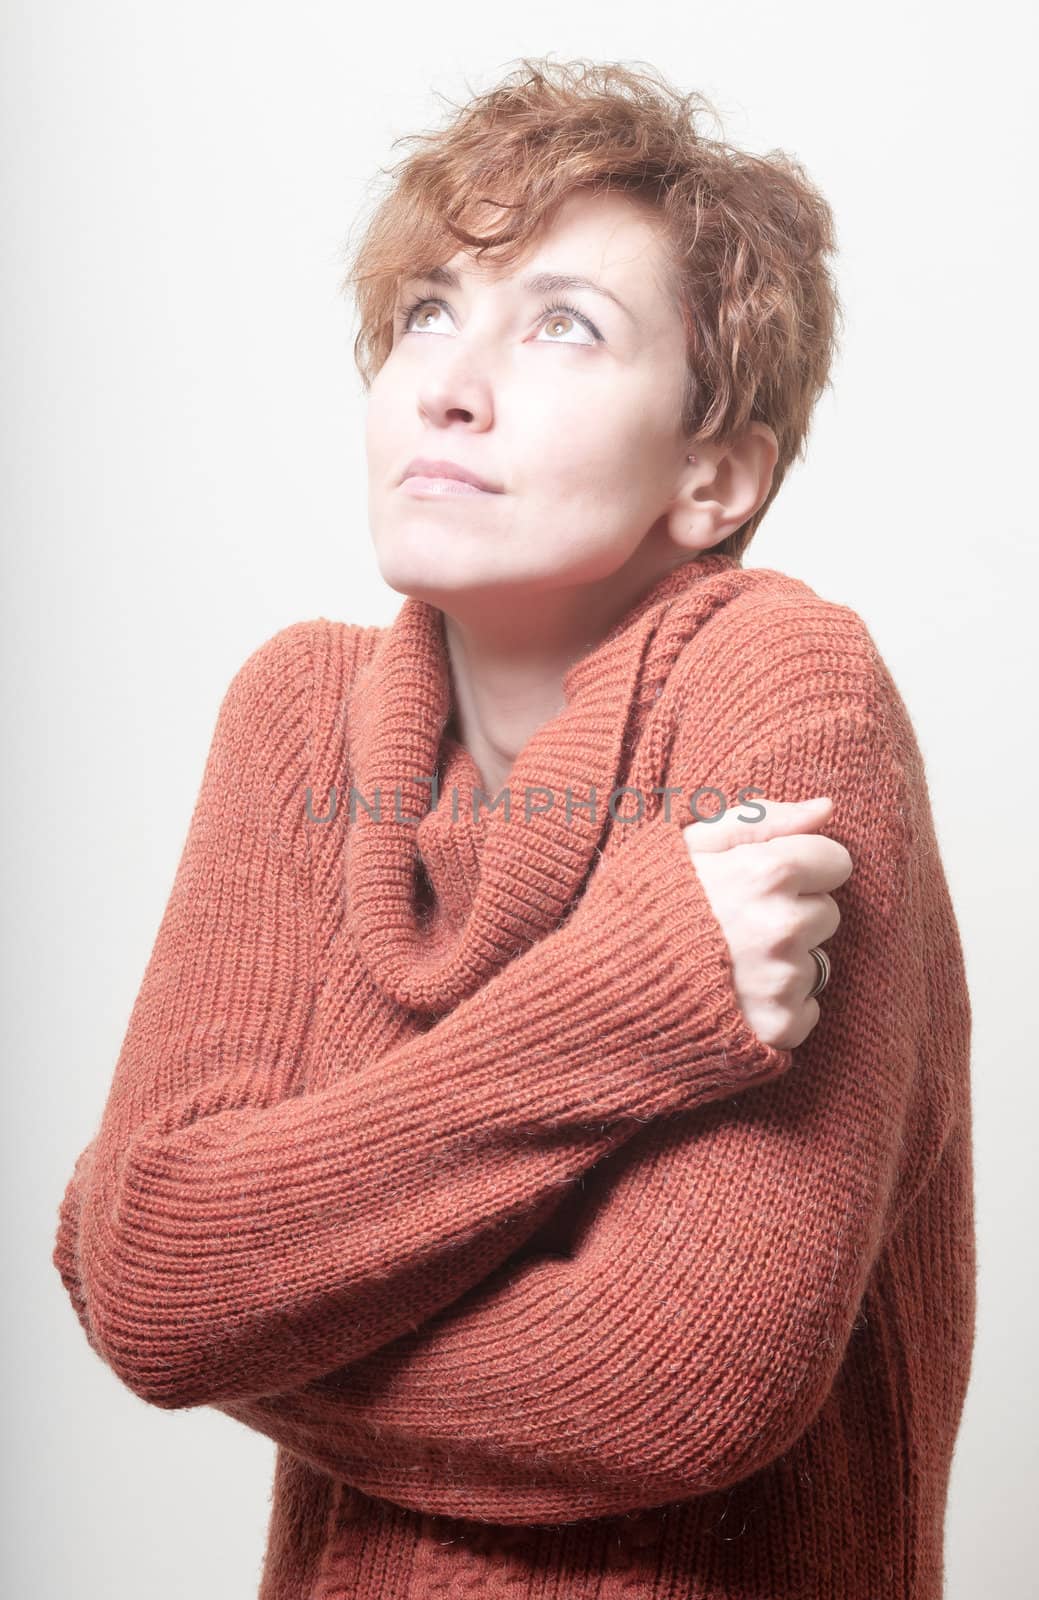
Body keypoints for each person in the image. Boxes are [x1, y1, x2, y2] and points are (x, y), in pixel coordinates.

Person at [53, 56, 975, 1600]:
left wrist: (249, 1290)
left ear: (715, 471)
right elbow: (158, 1288)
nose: (449, 378)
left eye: (563, 323)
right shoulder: (297, 714)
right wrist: (637, 1000)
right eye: (426, 311)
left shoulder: (784, 684)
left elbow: (682, 1380)